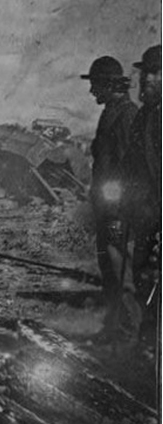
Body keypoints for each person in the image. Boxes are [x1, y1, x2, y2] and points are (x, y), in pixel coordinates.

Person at [81, 56, 141, 345]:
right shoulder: (111, 112)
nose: (92, 91)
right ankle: (114, 327)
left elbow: (132, 167)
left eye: (95, 85)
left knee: (120, 268)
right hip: (107, 206)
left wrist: (118, 208)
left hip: (117, 208)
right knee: (110, 266)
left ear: (108, 84)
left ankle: (128, 334)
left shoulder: (127, 115)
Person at [123, 45, 161, 345]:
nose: (148, 78)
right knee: (144, 275)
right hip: (148, 214)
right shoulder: (144, 117)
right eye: (146, 71)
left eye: (156, 72)